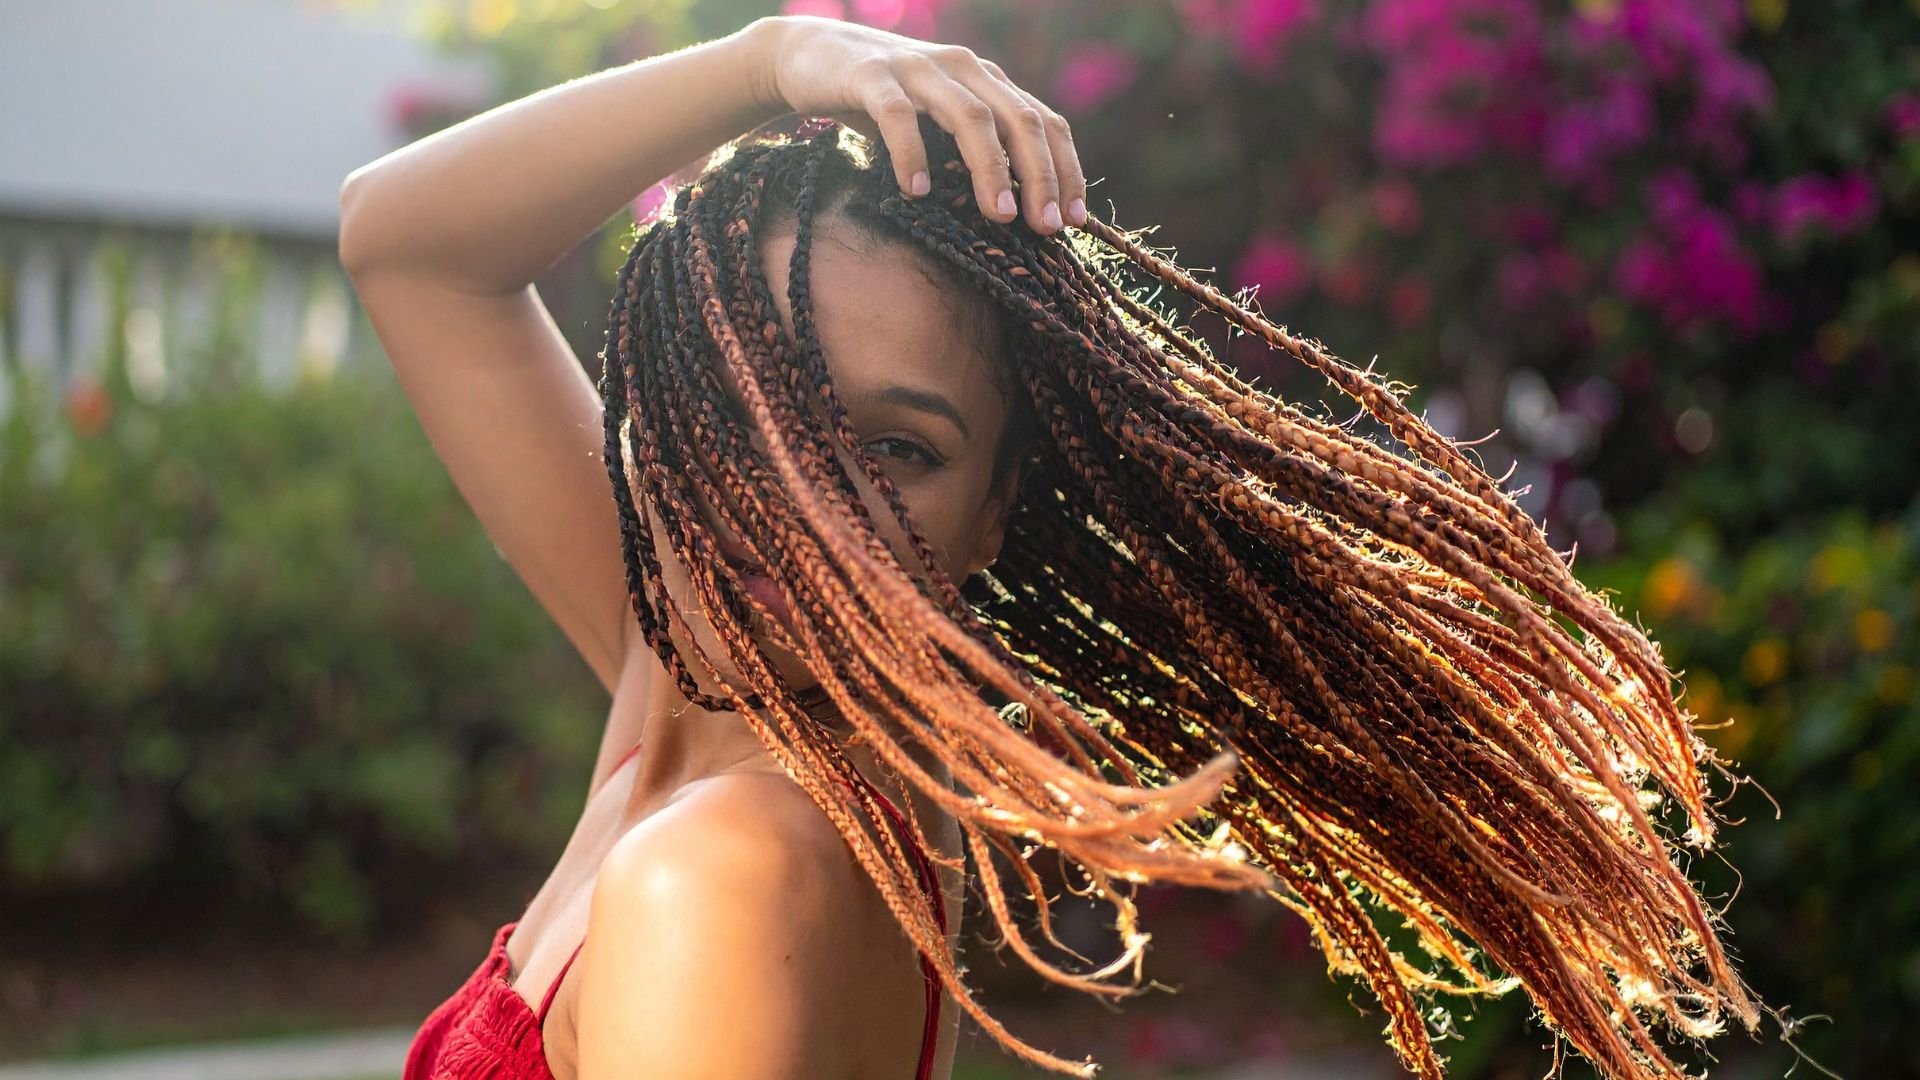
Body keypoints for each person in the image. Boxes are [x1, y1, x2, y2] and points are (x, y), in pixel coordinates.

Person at [339, 14, 1763, 1080]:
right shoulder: (695, 687)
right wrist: (775, 58)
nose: (792, 493)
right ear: (665, 396)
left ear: (991, 514)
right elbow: (403, 241)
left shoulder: (732, 868)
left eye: (896, 450)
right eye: (750, 400)